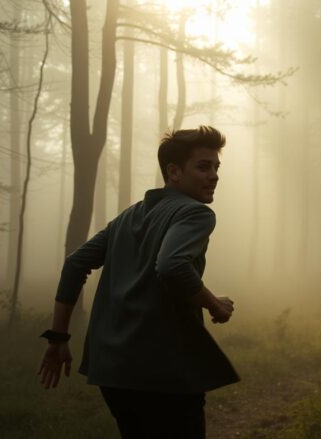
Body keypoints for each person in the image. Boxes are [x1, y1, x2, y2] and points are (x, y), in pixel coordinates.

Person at [37, 126, 239, 438]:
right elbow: (171, 265)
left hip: (113, 372)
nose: (213, 175)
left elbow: (75, 262)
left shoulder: (129, 216)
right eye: (203, 167)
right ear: (173, 172)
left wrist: (58, 338)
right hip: (165, 373)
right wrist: (215, 304)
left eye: (216, 167)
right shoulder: (196, 214)